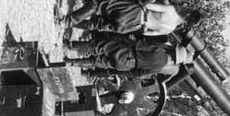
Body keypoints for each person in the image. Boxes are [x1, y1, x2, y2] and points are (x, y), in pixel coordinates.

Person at [65, 0, 200, 37]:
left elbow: (148, 6)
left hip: (135, 12)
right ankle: (70, 24)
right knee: (96, 25)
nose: (186, 7)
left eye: (189, 8)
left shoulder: (171, 10)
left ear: (188, 14)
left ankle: (69, 20)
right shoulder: (169, 29)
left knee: (96, 4)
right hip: (134, 26)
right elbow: (147, 34)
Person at [65, 35, 194, 76]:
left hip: (127, 52)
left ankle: (70, 46)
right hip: (127, 65)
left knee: (98, 47)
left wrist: (126, 39)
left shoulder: (159, 50)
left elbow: (138, 45)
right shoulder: (158, 68)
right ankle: (71, 62)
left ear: (173, 52)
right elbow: (139, 75)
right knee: (96, 62)